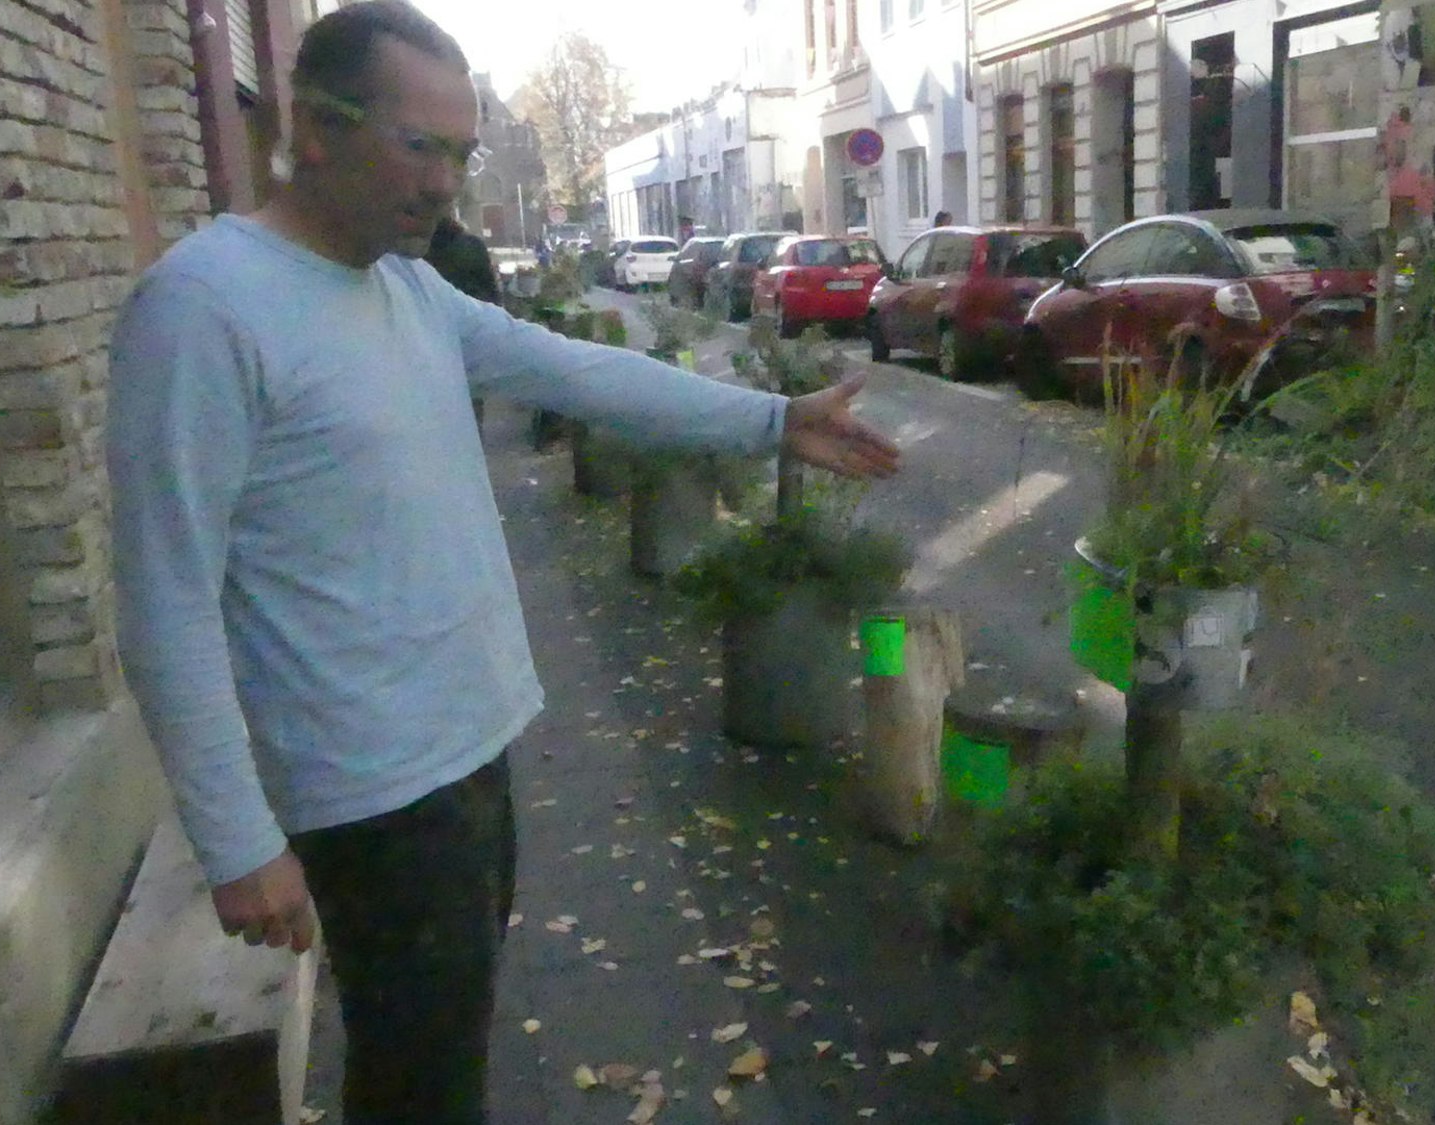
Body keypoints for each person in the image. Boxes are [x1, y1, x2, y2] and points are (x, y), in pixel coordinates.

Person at [103, 4, 901, 1124]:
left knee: (443, 1063)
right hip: (370, 791)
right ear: (312, 130)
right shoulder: (203, 308)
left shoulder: (403, 286)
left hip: (469, 752)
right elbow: (165, 598)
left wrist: (772, 420)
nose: (443, 184)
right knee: (420, 1088)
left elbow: (573, 370)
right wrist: (237, 840)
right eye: (415, 145)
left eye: (460, 153)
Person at [424, 214, 500, 427]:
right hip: (471, 330)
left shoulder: (420, 254)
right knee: (472, 392)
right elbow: (491, 288)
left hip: (432, 331)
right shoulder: (472, 245)